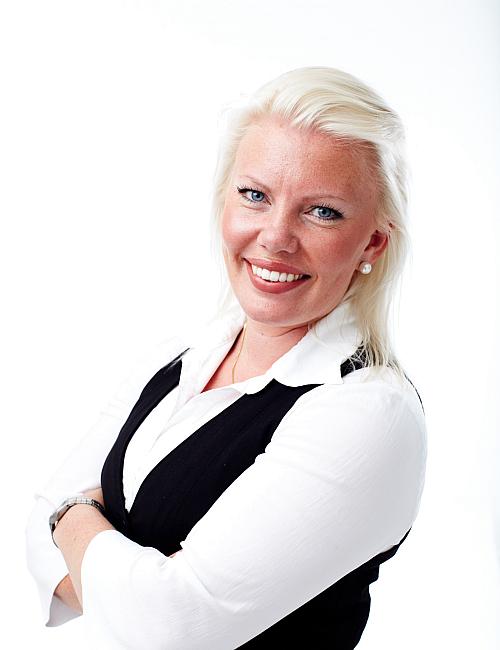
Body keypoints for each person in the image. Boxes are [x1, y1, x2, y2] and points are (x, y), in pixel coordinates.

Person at [25, 66, 427, 649]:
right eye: (255, 196)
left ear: (373, 241)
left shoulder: (367, 411)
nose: (276, 237)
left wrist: (71, 517)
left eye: (322, 211)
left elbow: (172, 627)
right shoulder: (180, 360)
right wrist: (127, 583)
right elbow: (38, 540)